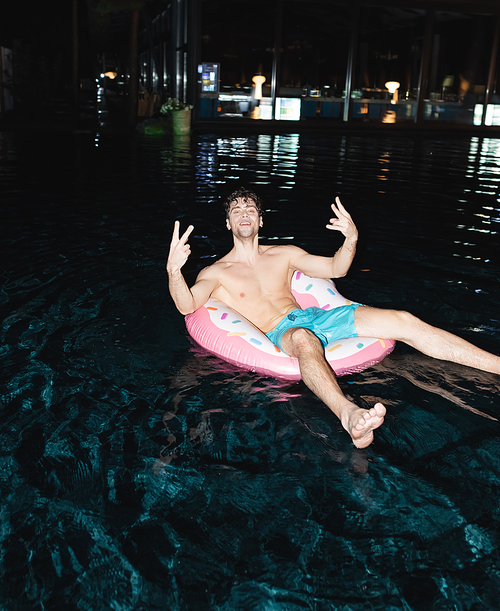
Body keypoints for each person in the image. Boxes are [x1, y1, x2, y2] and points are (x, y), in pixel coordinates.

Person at [167, 188, 500, 449]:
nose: (244, 214)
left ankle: (495, 364)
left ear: (260, 220)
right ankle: (349, 414)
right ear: (227, 222)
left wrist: (351, 238)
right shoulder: (217, 272)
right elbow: (187, 305)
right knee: (302, 339)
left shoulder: (285, 254)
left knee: (404, 319)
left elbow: (336, 268)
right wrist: (173, 271)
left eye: (250, 209)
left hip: (315, 315)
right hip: (282, 331)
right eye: (236, 210)